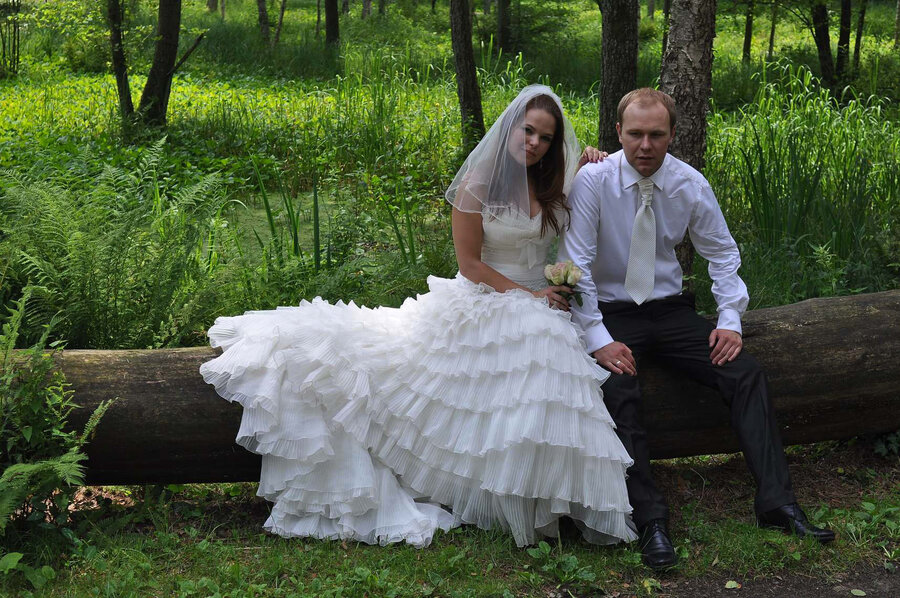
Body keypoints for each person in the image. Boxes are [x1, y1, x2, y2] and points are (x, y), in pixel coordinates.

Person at [200, 84, 637, 548]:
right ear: (511, 127)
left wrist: (588, 160)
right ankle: (495, 491)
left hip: (540, 299)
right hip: (486, 294)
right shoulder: (477, 185)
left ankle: (541, 489)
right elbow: (471, 265)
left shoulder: (554, 181)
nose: (534, 143)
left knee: (549, 367)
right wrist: (531, 296)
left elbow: (588, 192)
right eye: (527, 131)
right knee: (521, 351)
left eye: (546, 138)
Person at [559, 88, 835, 571]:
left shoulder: (689, 183)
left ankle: (777, 503)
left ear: (672, 134)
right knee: (617, 389)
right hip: (610, 311)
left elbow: (722, 253)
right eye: (636, 134)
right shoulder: (594, 182)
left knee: (745, 373)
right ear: (619, 132)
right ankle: (650, 519)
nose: (646, 145)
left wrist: (730, 320)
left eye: (656, 134)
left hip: (669, 311)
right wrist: (598, 340)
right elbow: (575, 264)